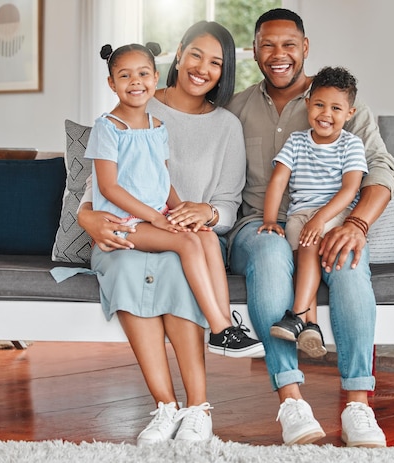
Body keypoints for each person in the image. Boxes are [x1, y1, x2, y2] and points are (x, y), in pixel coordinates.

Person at [226, 9, 394, 447]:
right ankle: (291, 401)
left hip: (331, 223)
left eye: (289, 44)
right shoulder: (236, 110)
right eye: (267, 44)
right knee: (269, 257)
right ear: (254, 51)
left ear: (305, 48)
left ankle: (358, 406)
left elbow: (383, 172)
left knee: (348, 262)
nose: (278, 54)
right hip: (258, 224)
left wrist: (357, 223)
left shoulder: (337, 103)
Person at [77, 21, 254, 445]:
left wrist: (202, 213)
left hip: (178, 228)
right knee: (124, 267)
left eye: (216, 62)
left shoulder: (226, 126)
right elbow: (100, 185)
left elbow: (226, 202)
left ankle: (198, 407)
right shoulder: (134, 108)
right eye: (196, 54)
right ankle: (165, 406)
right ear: (177, 54)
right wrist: (88, 218)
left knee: (179, 267)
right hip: (130, 228)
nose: (202, 68)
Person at [86, 42, 263, 359]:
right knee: (188, 244)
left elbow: (161, 179)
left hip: (155, 214)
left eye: (142, 74)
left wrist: (180, 211)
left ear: (154, 77)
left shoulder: (156, 127)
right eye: (125, 76)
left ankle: (225, 329)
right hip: (125, 222)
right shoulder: (107, 128)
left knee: (205, 237)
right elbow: (108, 188)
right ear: (112, 83)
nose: (135, 82)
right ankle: (219, 326)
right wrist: (155, 218)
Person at [258, 66, 367, 360]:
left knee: (309, 247)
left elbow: (349, 190)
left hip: (334, 215)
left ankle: (295, 315)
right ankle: (312, 327)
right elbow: (278, 182)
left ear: (350, 113)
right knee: (304, 262)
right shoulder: (296, 141)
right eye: (319, 104)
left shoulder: (351, 145)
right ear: (308, 103)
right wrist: (270, 220)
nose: (325, 114)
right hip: (298, 216)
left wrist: (320, 219)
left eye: (336, 108)